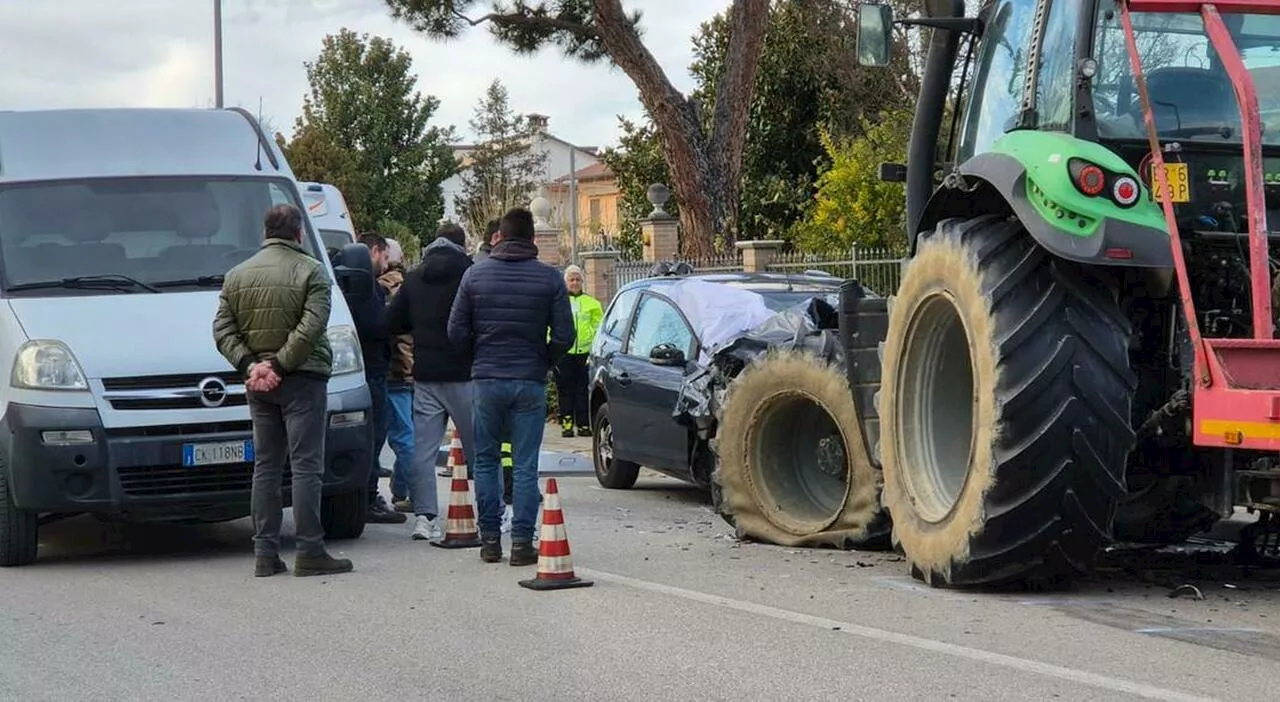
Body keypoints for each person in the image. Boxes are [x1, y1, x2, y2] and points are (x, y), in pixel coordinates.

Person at [212, 203, 352, 577]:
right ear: (299, 232)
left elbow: (223, 330)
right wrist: (279, 365)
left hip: (258, 382)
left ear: (265, 231)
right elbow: (312, 327)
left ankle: (265, 553)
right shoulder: (312, 271)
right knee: (306, 466)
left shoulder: (237, 276)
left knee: (267, 467)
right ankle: (309, 550)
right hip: (302, 379)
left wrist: (252, 366)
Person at [448, 207, 574, 565]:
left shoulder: (474, 276)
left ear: (498, 237)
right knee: (524, 464)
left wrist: (479, 357)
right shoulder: (549, 279)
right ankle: (521, 542)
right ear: (533, 239)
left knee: (485, 460)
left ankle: (489, 540)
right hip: (529, 381)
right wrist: (543, 360)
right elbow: (566, 335)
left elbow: (455, 332)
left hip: (486, 380)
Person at [387, 222, 476, 541]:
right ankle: (488, 514)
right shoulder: (470, 274)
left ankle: (425, 518)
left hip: (426, 375)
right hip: (465, 374)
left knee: (423, 451)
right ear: (462, 245)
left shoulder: (413, 278)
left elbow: (393, 321)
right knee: (478, 447)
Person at [353, 232, 406, 525]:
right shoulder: (365, 288)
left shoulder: (365, 284)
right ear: (375, 252)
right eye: (385, 258)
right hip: (371, 370)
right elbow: (376, 325)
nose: (387, 265)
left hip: (370, 369)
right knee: (373, 437)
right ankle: (368, 497)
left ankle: (366, 495)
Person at [379, 238, 416, 512]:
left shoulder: (382, 287)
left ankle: (408, 490)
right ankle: (402, 488)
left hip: (394, 371)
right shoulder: (413, 285)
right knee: (411, 435)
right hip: (415, 371)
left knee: (403, 437)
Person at [555, 264, 604, 438]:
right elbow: (550, 326)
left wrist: (593, 346)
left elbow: (599, 327)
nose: (574, 283)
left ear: (582, 281)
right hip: (564, 353)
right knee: (565, 389)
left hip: (584, 352)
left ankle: (583, 424)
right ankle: (567, 424)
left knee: (582, 389)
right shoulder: (559, 302)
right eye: (571, 280)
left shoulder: (592, 303)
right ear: (565, 282)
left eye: (577, 279)